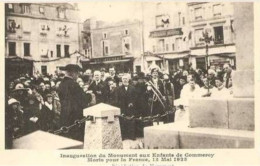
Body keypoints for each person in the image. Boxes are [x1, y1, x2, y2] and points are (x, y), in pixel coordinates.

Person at [57, 64, 92, 141]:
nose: (78, 75)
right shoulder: (74, 84)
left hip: (64, 115)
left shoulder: (61, 84)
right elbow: (84, 99)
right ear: (73, 73)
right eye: (77, 73)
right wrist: (90, 95)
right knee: (77, 140)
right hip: (75, 118)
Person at [116, 74, 136, 140]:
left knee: (131, 122)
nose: (125, 80)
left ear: (128, 80)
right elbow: (117, 99)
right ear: (122, 80)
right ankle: (123, 136)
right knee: (122, 121)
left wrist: (132, 103)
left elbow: (136, 98)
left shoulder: (133, 88)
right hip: (122, 108)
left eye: (126, 78)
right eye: (123, 79)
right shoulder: (118, 89)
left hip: (130, 108)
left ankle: (131, 136)